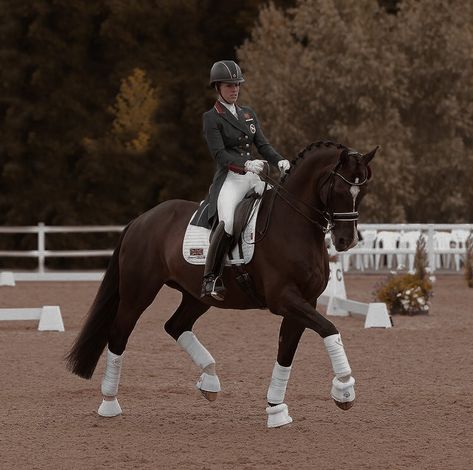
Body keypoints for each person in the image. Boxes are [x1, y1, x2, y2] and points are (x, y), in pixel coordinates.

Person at [201, 60, 290, 301]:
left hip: (255, 175)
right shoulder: (212, 118)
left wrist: (280, 160)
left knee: (281, 206)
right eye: (229, 85)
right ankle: (211, 278)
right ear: (218, 87)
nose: (235, 89)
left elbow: (262, 145)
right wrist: (244, 165)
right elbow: (219, 154)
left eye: (237, 85)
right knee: (228, 222)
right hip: (231, 178)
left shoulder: (248, 113)